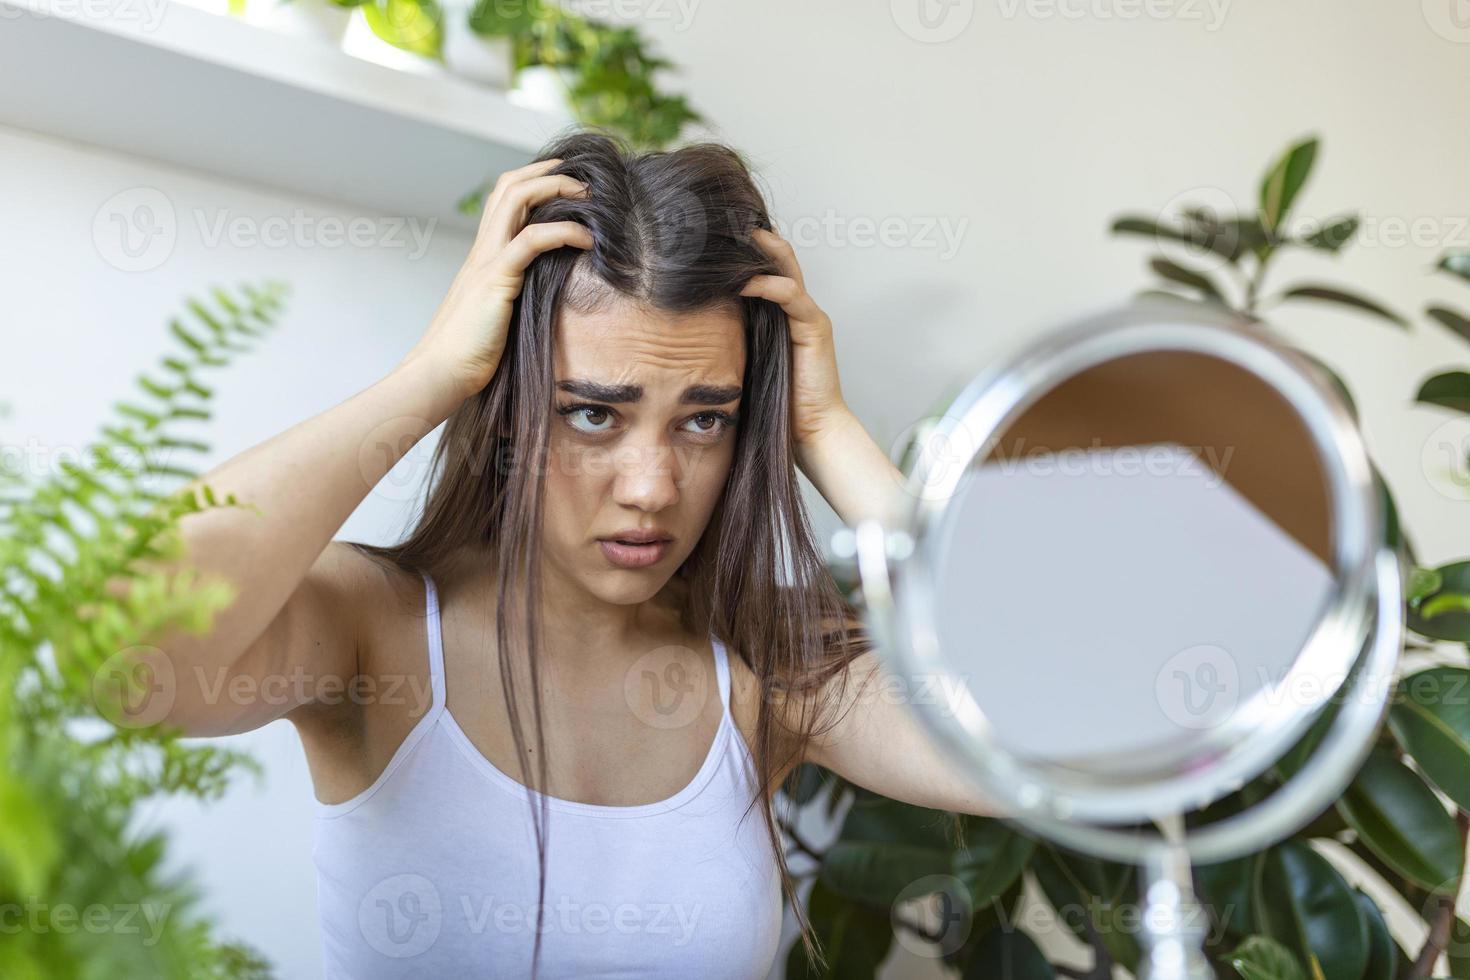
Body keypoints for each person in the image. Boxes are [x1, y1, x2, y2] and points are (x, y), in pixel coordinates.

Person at [154, 129, 1001, 978]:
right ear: (510, 411)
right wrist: (433, 373)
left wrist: (824, 427)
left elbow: (1045, 739)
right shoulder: (373, 629)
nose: (653, 488)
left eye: (705, 418)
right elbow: (127, 656)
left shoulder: (761, 659)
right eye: (594, 414)